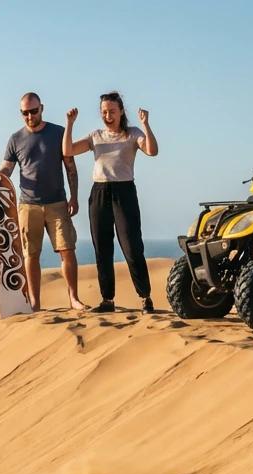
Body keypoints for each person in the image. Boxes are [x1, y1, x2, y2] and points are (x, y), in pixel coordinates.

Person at [62, 92, 159, 313]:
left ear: (121, 111)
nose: (108, 115)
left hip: (124, 192)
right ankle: (108, 300)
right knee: (102, 249)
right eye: (104, 112)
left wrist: (146, 124)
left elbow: (152, 151)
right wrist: (69, 124)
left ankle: (145, 297)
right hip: (99, 192)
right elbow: (68, 151)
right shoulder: (95, 135)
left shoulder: (132, 134)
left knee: (132, 247)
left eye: (112, 111)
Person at [0, 92, 86, 311]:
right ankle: (35, 302)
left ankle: (73, 298)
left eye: (33, 111)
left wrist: (74, 197)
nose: (30, 116)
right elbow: (7, 168)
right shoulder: (15, 139)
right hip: (28, 205)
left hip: (57, 203)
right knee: (30, 255)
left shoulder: (58, 133)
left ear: (41, 108)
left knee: (67, 249)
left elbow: (70, 167)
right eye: (25, 113)